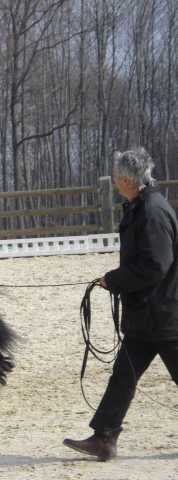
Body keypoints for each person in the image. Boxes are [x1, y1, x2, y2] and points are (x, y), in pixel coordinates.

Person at [64, 147, 178, 461]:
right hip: (147, 316)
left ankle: (104, 436)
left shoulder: (152, 212)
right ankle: (104, 437)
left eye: (116, 176)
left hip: (163, 316)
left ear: (126, 178)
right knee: (123, 375)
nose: (114, 180)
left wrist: (113, 280)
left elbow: (156, 266)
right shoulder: (140, 207)